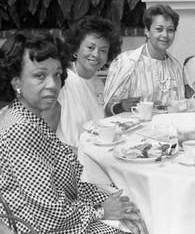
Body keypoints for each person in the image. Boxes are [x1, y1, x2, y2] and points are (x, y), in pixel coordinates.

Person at [0, 31, 147, 234]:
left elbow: (71, 175)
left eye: (57, 74)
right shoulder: (20, 128)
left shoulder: (31, 117)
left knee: (138, 212)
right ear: (16, 81)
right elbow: (48, 213)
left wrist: (107, 200)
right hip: (42, 226)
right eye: (39, 75)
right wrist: (102, 210)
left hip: (67, 213)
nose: (53, 85)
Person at [53, 16, 122, 149]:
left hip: (96, 156)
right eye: (90, 47)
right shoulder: (61, 81)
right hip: (70, 161)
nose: (96, 54)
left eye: (103, 50)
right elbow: (44, 135)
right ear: (75, 49)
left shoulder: (98, 83)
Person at [104, 4, 185, 115]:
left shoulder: (175, 66)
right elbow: (106, 109)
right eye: (159, 29)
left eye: (170, 30)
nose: (165, 35)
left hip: (168, 130)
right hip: (133, 131)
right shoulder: (126, 62)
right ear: (147, 31)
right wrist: (121, 107)